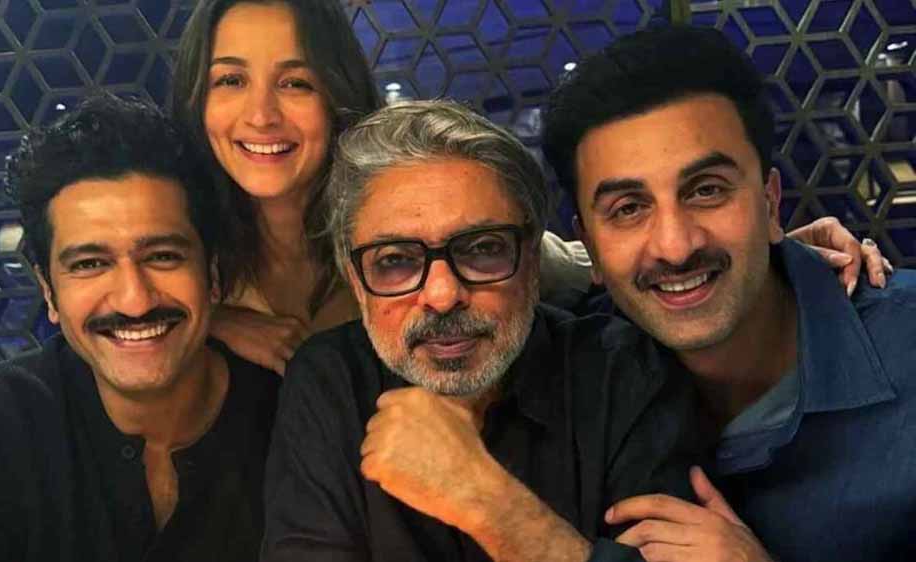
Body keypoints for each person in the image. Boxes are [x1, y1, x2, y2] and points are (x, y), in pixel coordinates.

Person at [170, 0, 880, 374]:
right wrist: (211, 323)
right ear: (198, 97)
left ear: (337, 95)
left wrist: (774, 255)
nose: (260, 114)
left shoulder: (422, 224)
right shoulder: (184, 259)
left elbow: (591, 264)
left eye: (295, 82)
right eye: (230, 80)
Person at [262, 99, 706, 562]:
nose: (442, 294)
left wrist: (490, 503)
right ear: (356, 281)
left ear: (531, 260)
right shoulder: (331, 380)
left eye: (482, 249)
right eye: (395, 260)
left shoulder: (624, 372)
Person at [543, 25, 916, 562]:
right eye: (628, 208)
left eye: (707, 190)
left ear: (770, 203)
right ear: (591, 247)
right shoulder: (576, 377)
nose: (675, 247)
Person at [0, 94, 281, 561]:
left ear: (211, 274)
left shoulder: (290, 419)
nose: (134, 300)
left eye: (163, 256)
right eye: (90, 264)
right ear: (48, 291)